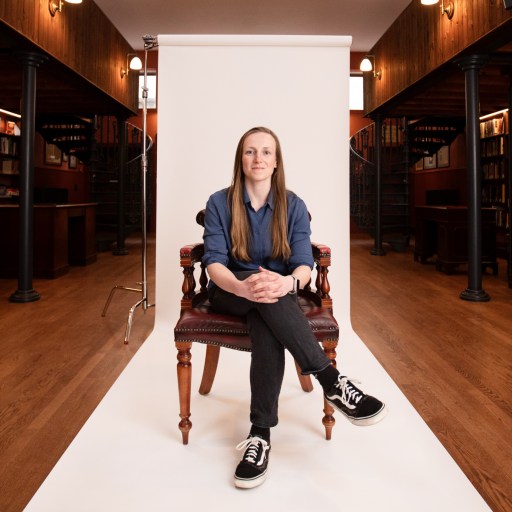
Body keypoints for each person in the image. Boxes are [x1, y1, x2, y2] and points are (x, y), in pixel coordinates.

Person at [202, 126, 387, 489]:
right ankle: (331, 380)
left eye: (266, 152)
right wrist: (242, 287)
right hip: (228, 289)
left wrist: (286, 283)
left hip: (277, 292)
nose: (258, 159)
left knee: (266, 311)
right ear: (240, 160)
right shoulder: (218, 202)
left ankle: (260, 436)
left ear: (276, 161)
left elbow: (304, 263)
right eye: (250, 152)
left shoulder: (294, 205)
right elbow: (213, 263)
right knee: (262, 299)